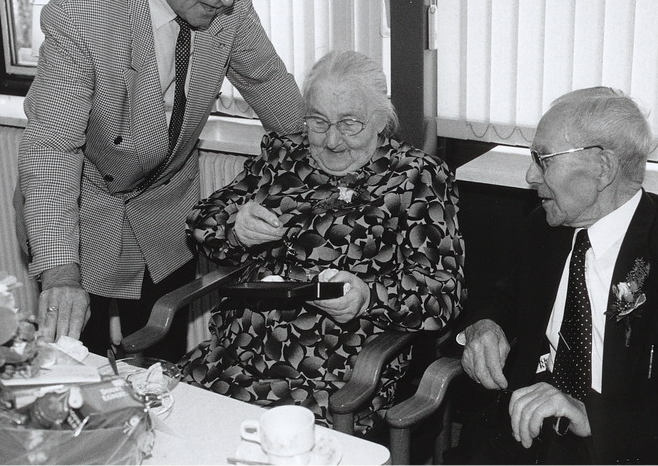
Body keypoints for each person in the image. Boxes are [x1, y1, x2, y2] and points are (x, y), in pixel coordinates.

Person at [16, 0, 304, 361]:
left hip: (164, 203)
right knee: (78, 355)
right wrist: (61, 271)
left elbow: (266, 79)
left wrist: (332, 146)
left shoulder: (229, 3)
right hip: (83, 201)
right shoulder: (84, 12)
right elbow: (53, 147)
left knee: (161, 356)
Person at [452, 87, 658, 464]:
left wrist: (593, 415)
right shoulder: (546, 228)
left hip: (623, 447)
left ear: (603, 168)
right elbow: (507, 295)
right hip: (527, 432)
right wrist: (485, 326)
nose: (530, 175)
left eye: (543, 160)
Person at [179, 50, 465, 433]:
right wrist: (234, 226)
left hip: (333, 375)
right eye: (318, 121)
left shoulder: (416, 177)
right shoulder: (283, 158)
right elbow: (199, 222)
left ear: (382, 120)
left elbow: (443, 293)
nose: (331, 141)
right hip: (234, 353)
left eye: (349, 124)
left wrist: (368, 296)